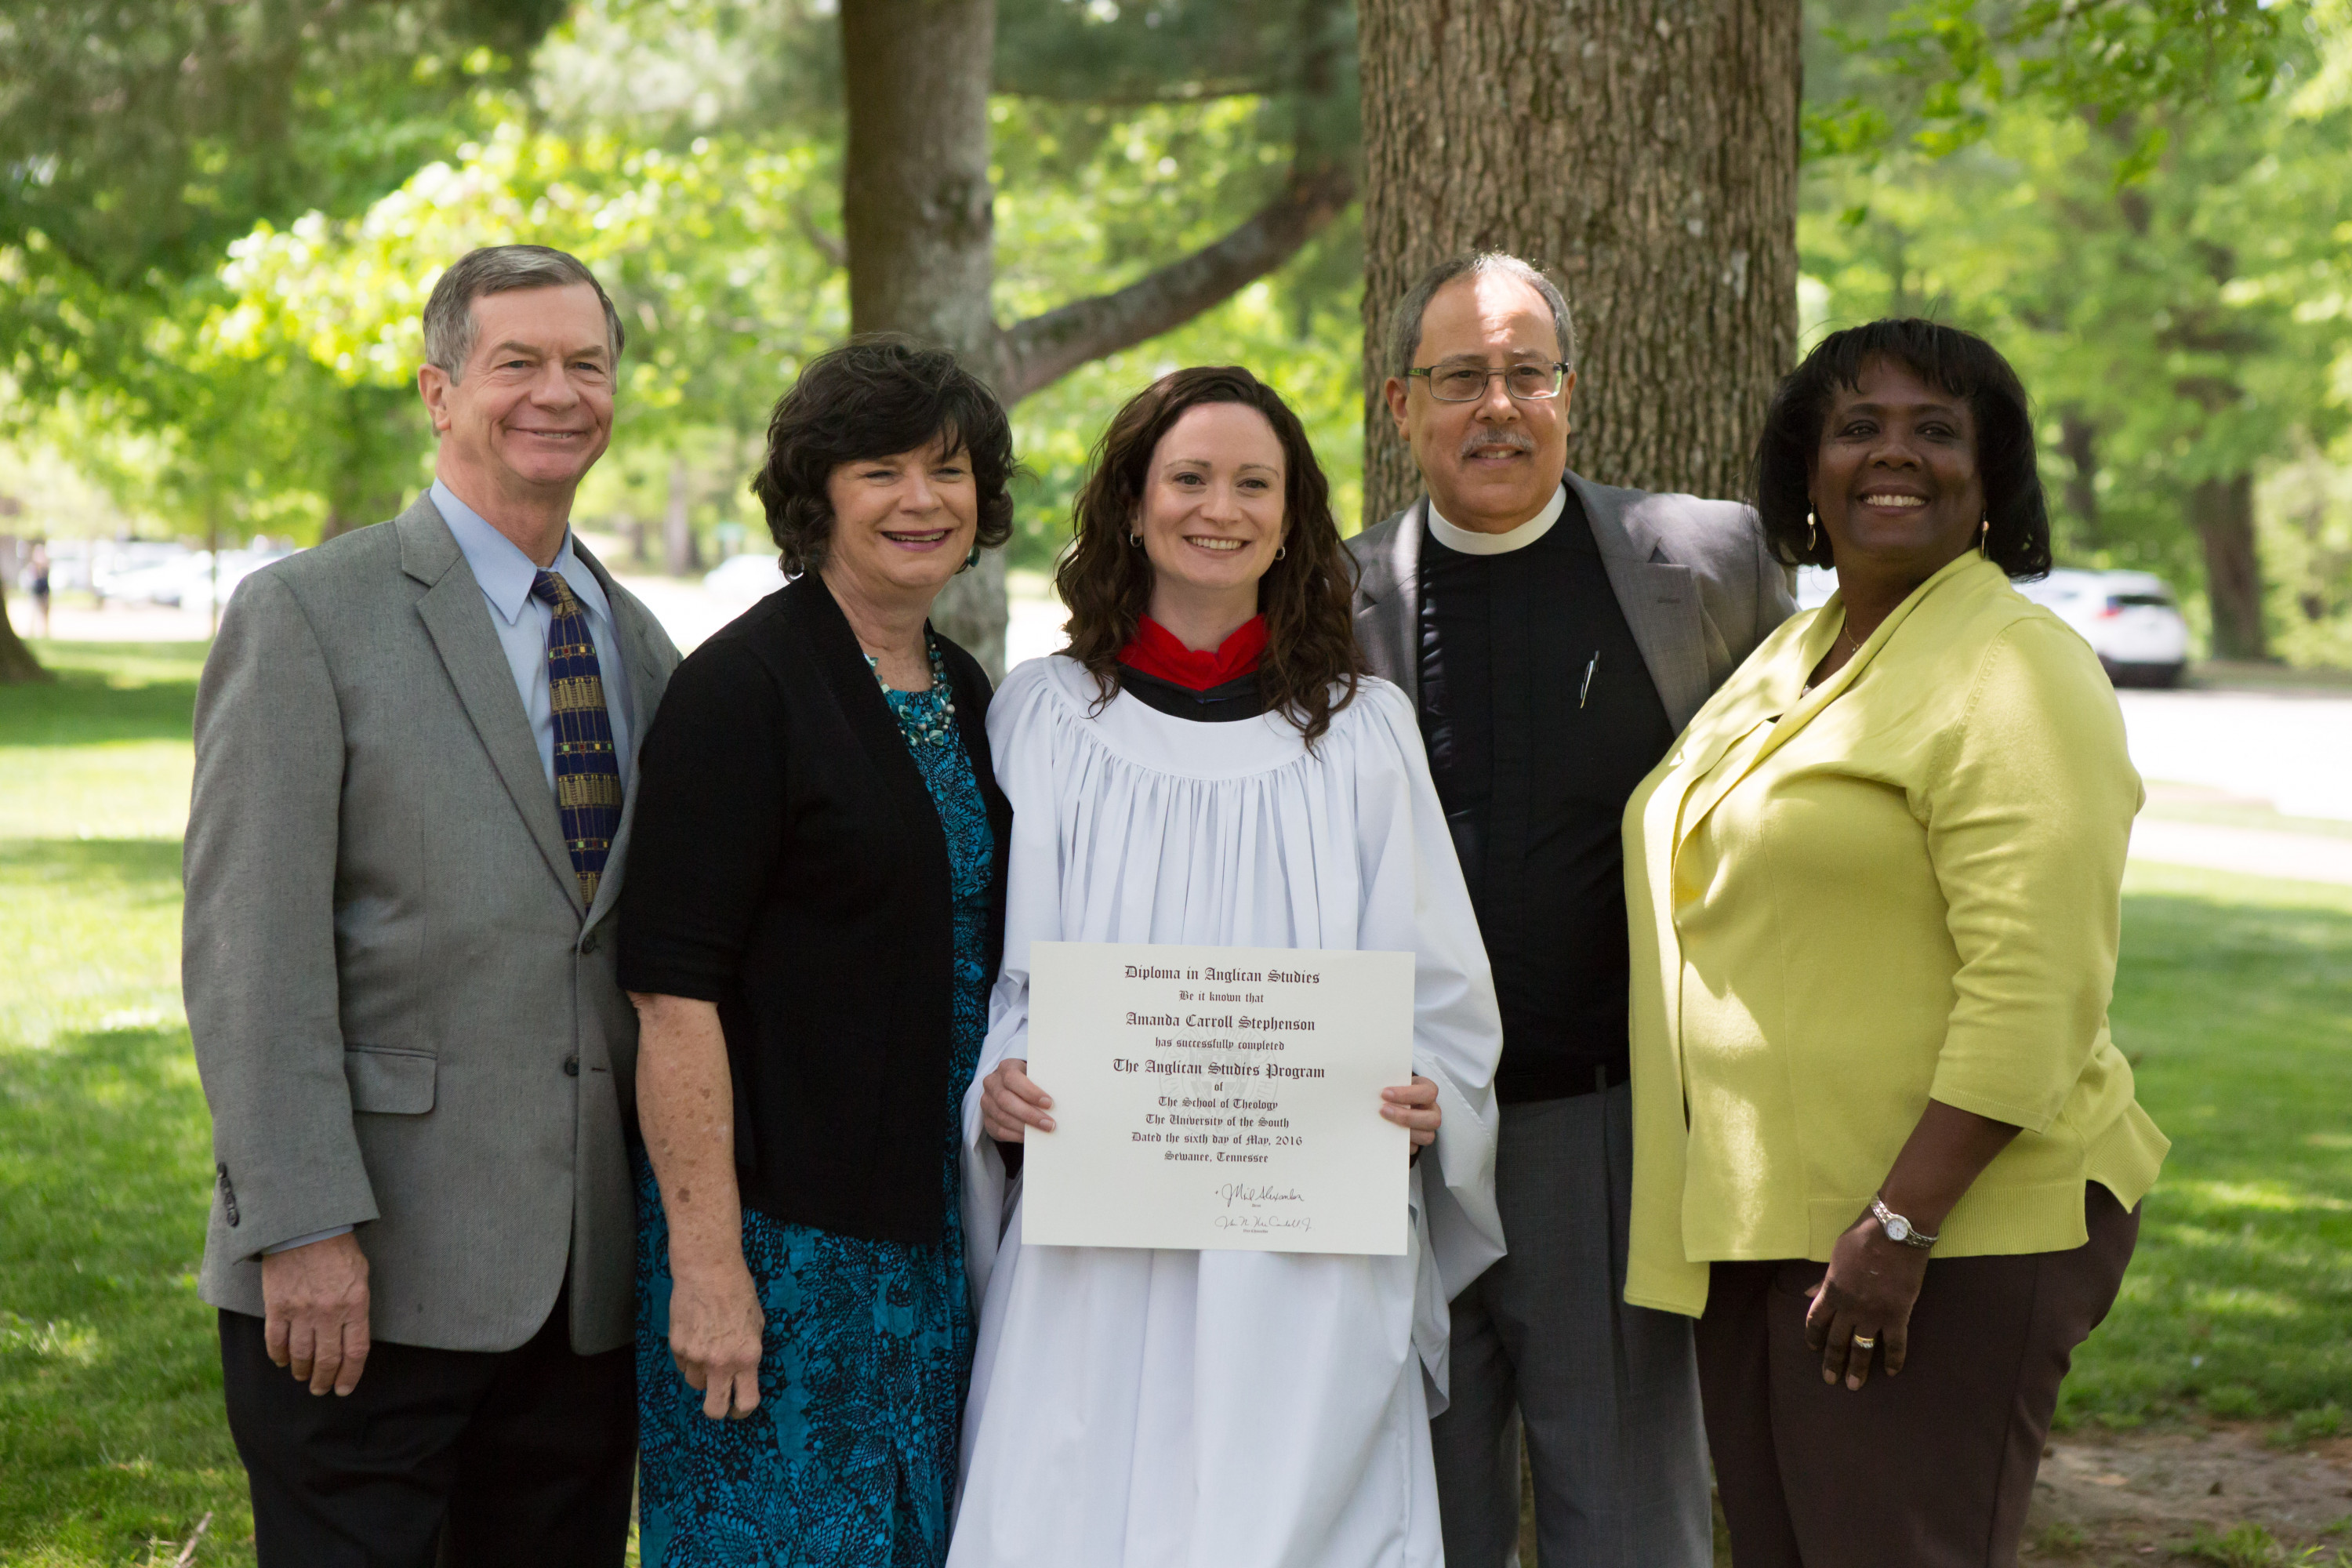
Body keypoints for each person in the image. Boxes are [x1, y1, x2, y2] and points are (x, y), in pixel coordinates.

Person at [1621, 318, 2170, 1566]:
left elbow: (2036, 987)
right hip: (1775, 1222)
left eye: (1938, 430)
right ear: (1806, 470)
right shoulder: (1795, 657)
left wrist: (1901, 1230)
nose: (1895, 455)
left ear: (1994, 476)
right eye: (1858, 426)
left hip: (1937, 1234)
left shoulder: (2020, 670)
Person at [949, 366, 1504, 1567]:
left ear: (1295, 515)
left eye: (1255, 483)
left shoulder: (1363, 731)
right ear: (1134, 504)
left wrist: (1424, 1093)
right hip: (1092, 1243)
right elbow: (1000, 975)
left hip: (1300, 1243)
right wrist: (1000, 1081)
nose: (1221, 508)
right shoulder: (1044, 719)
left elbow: (1441, 992)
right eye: (1189, 477)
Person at [184, 244, 679, 1566]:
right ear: (439, 390)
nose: (557, 392)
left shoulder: (640, 646)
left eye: (587, 363)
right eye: (517, 361)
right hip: (363, 1276)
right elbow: (252, 955)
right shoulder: (308, 617)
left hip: (582, 1294)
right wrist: (300, 1228)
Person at [1348, 250, 1792, 1566]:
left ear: (1570, 392)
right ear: (1400, 404)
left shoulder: (1707, 566)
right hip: (1389, 1144)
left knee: (1626, 1523)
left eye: (1526, 373)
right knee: (1419, 1521)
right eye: (1462, 377)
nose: (1498, 405)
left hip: (1602, 1139)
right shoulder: (1326, 593)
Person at [618, 337, 1016, 1566]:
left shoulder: (961, 684)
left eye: (948, 472)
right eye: (880, 470)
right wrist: (708, 1263)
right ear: (816, 496)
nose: (921, 501)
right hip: (783, 1251)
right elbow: (671, 994)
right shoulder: (743, 689)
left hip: (932, 1232)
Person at [27, 541, 50, 637]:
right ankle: (31, 631)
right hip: (36, 591)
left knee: (45, 611)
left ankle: (46, 631)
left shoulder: (46, 566)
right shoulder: (33, 567)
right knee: (34, 610)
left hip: (44, 591)